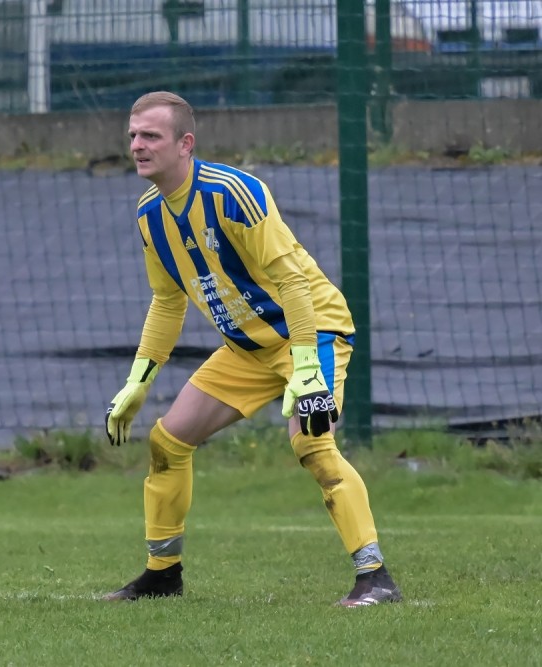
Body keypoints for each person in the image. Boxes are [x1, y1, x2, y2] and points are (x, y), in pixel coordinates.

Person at [101, 91, 402, 607]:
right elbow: (167, 301)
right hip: (247, 349)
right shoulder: (149, 213)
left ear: (185, 144)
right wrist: (137, 382)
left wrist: (306, 368)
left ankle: (375, 577)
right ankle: (162, 575)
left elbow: (293, 283)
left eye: (150, 135)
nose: (137, 145)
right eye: (132, 135)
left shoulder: (234, 192)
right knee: (168, 441)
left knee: (312, 444)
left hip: (313, 332)